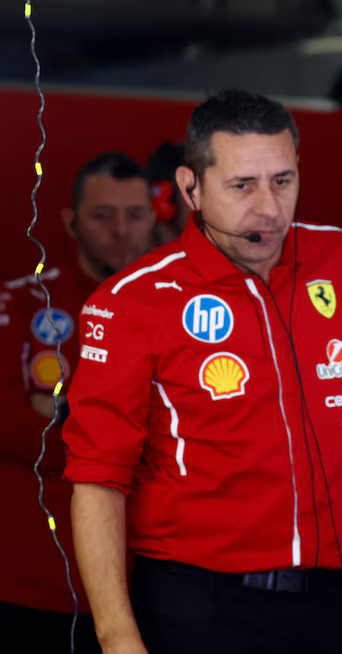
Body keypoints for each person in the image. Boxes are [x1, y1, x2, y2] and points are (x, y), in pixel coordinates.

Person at [62, 90, 342, 654]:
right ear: (191, 187)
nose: (268, 206)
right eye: (243, 185)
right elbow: (98, 479)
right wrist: (117, 636)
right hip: (199, 603)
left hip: (334, 594)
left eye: (282, 181)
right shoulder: (131, 300)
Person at [0, 151, 156, 653]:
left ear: (155, 217)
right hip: (25, 584)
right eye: (102, 215)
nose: (120, 231)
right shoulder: (20, 303)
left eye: (134, 215)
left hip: (144, 583)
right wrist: (126, 446)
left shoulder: (182, 312)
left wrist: (66, 428)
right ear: (70, 221)